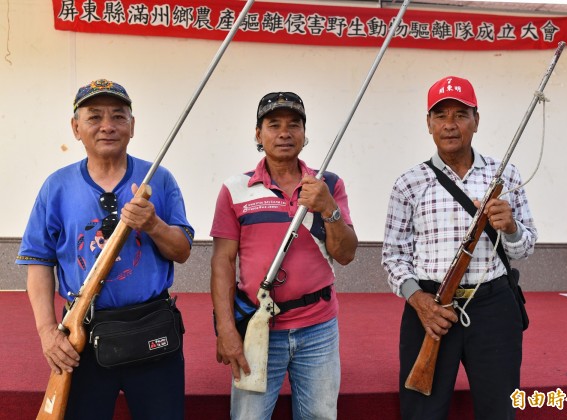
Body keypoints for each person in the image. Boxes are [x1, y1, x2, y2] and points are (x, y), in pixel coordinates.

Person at [16, 79, 194, 419]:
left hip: (152, 331)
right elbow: (38, 263)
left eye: (118, 116)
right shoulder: (56, 186)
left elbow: (183, 251)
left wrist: (153, 225)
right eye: (94, 116)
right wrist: (47, 333)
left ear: (132, 126)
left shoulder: (159, 179)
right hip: (81, 336)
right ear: (76, 127)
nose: (107, 126)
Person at [382, 76, 537, 419]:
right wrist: (419, 301)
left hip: (494, 306)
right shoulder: (409, 183)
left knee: (500, 409)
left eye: (460, 114)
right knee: (422, 412)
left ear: (476, 121)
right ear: (429, 124)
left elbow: (525, 247)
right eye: (440, 115)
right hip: (429, 309)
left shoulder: (505, 175)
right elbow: (393, 256)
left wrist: (510, 228)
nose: (450, 125)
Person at [210, 92, 358, 419]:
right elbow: (222, 263)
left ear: (305, 134)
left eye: (294, 125)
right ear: (258, 134)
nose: (284, 133)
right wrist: (225, 328)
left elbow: (345, 254)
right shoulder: (236, 188)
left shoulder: (327, 184)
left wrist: (329, 208)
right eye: (273, 124)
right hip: (257, 325)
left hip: (318, 327)